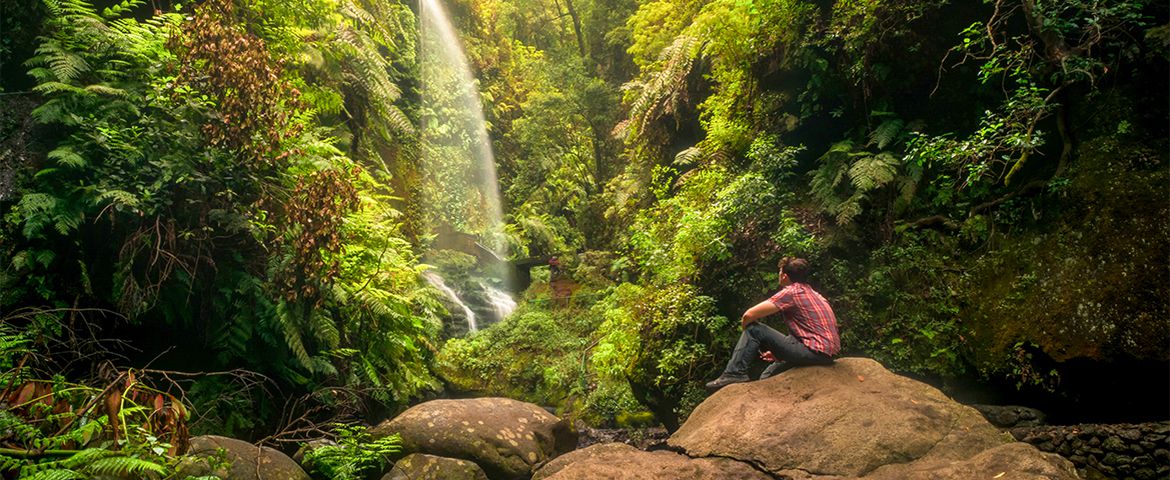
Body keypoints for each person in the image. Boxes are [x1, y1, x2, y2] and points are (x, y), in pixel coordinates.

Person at [705, 257, 840, 391]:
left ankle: (734, 373)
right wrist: (780, 352)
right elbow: (807, 333)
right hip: (826, 355)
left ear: (784, 276)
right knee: (769, 374)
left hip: (814, 352)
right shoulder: (816, 294)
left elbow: (749, 315)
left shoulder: (791, 292)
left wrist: (745, 331)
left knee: (755, 329)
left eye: (780, 272)